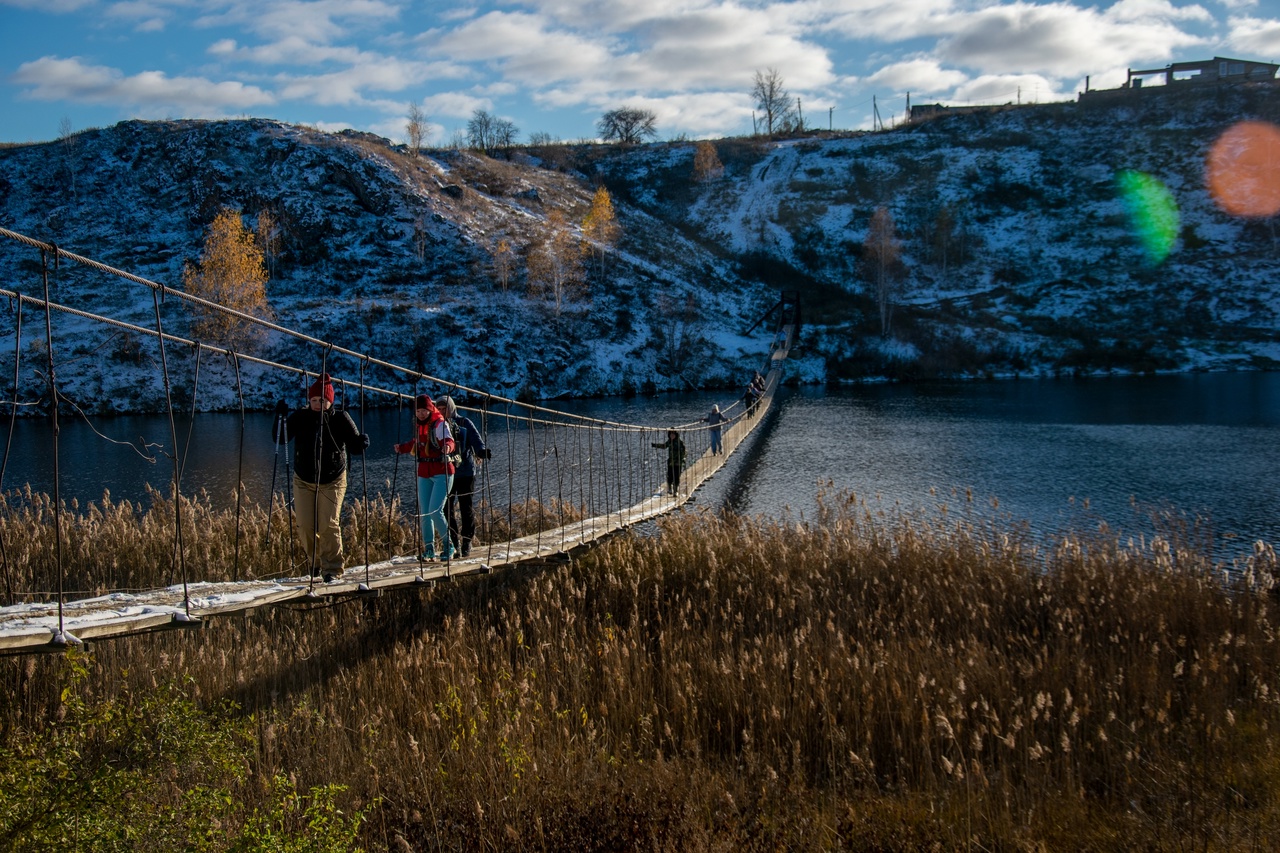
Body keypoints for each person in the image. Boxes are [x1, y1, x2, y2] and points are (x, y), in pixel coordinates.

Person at [273, 373, 369, 583]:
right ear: (309, 401)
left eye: (322, 401)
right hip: (303, 479)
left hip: (333, 478)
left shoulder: (341, 418)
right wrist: (279, 417)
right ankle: (315, 563)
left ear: (330, 401)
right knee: (305, 525)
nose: (318, 404)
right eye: (314, 400)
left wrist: (361, 442)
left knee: (328, 524)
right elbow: (279, 438)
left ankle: (332, 570)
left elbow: (353, 446)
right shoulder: (300, 417)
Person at [393, 394, 456, 561]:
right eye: (418, 411)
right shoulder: (420, 426)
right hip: (424, 472)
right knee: (425, 513)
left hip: (443, 471)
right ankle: (429, 549)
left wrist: (447, 448)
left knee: (435, 511)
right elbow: (417, 443)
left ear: (430, 410)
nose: (421, 414)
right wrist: (402, 448)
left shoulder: (439, 424)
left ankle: (448, 546)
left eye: (424, 410)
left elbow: (450, 441)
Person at [439, 396, 491, 558]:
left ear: (452, 408)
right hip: (445, 472)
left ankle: (467, 541)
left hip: (466, 472)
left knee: (465, 507)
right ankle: (453, 543)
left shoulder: (464, 423)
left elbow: (476, 439)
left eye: (444, 408)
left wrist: (481, 451)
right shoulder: (436, 425)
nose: (442, 411)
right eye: (438, 409)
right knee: (445, 509)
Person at [651, 429, 687, 497]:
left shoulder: (680, 442)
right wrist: (655, 445)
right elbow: (664, 446)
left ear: (676, 435)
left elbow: (684, 452)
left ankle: (675, 490)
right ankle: (670, 488)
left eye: (673, 435)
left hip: (678, 462)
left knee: (676, 477)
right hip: (670, 462)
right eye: (670, 435)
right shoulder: (669, 442)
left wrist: (683, 459)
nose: (672, 436)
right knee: (669, 476)